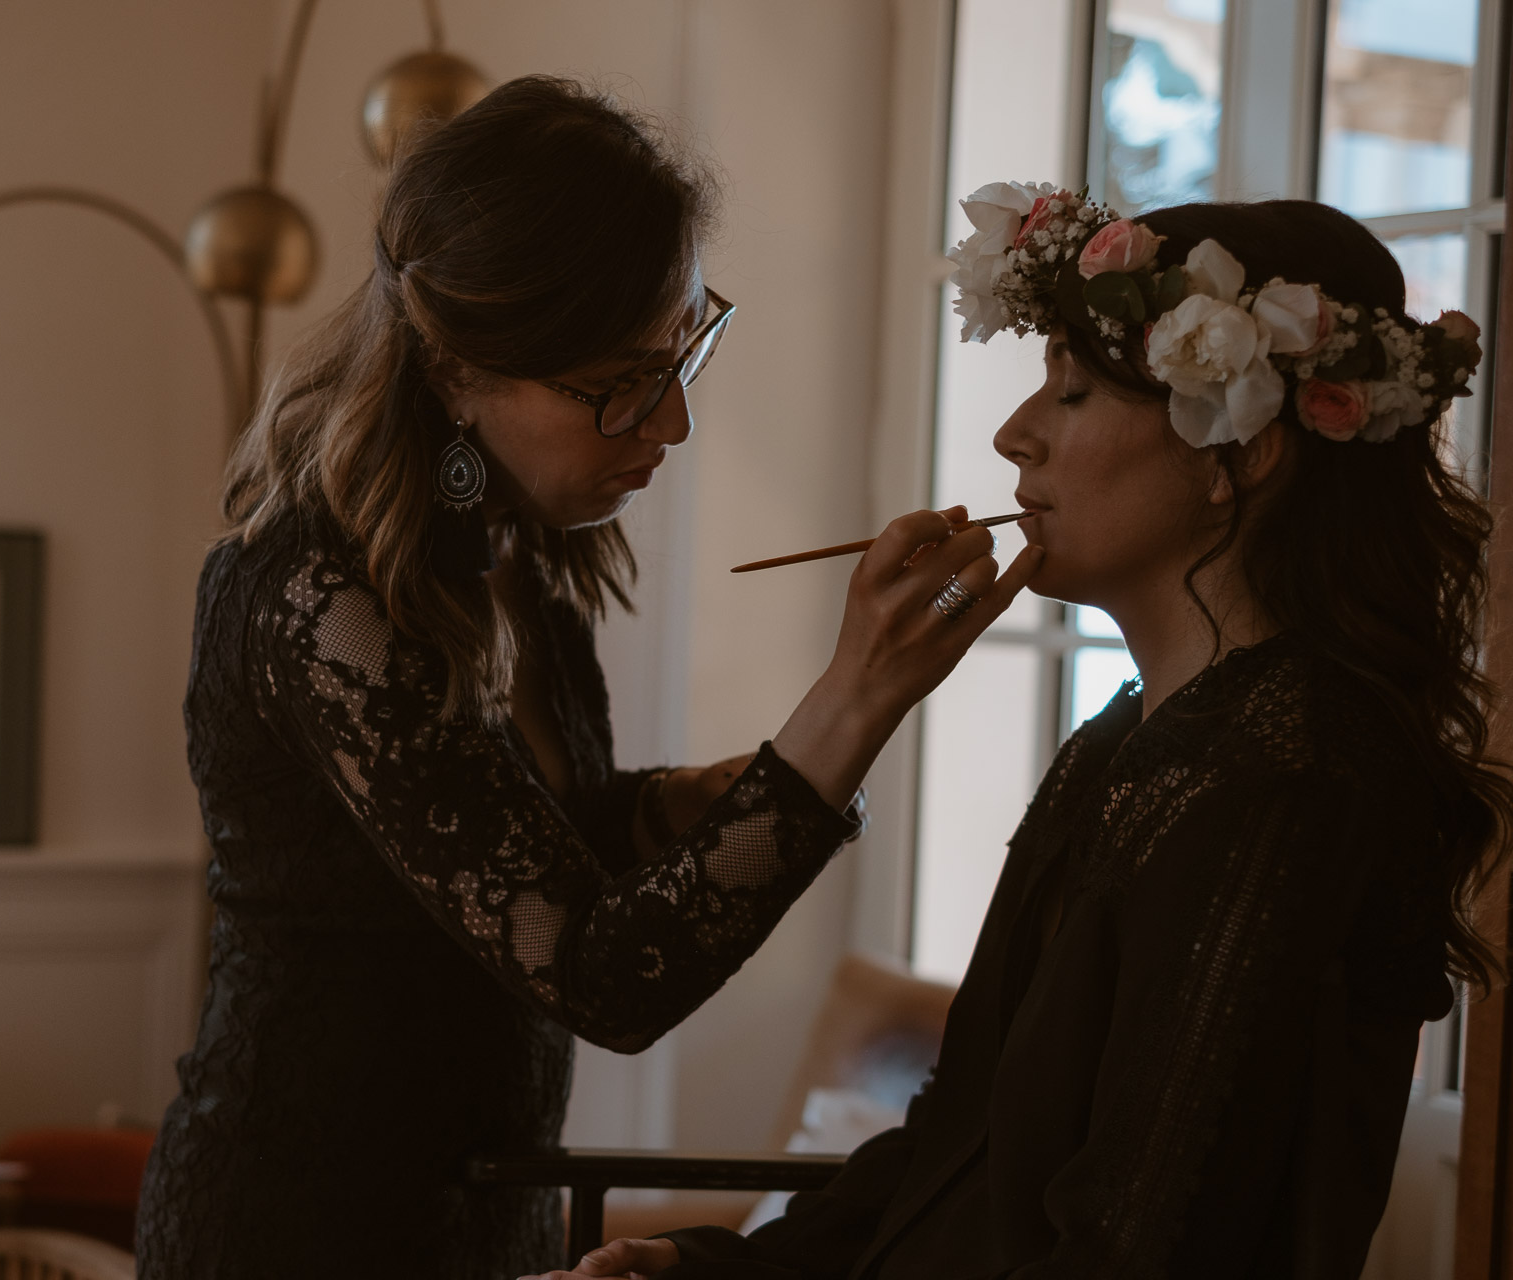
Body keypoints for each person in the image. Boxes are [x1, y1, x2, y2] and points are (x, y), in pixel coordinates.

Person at [136, 79, 1041, 1280]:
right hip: (302, 1230)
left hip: (484, 1217)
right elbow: (596, 974)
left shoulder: (513, 552)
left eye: (681, 351)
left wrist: (673, 804)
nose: (666, 422)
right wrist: (851, 700)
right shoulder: (319, 598)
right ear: (457, 364)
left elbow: (519, 849)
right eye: (615, 379)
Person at [543, 189, 1504, 1280]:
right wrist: (703, 1266)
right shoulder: (1122, 741)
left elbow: (1138, 1243)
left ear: (1233, 453)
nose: (1015, 433)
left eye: (1075, 391)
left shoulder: (1289, 772)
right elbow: (956, 1145)